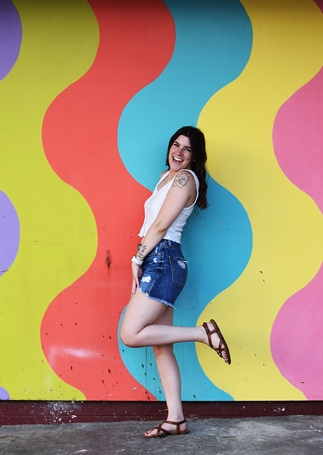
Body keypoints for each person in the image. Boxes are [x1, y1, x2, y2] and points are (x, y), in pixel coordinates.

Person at [119, 126, 231, 439]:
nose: (178, 152)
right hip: (161, 259)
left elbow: (159, 226)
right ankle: (176, 419)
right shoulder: (166, 176)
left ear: (195, 157)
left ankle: (202, 334)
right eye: (176, 145)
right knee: (161, 347)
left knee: (130, 333)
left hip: (162, 260)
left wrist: (136, 259)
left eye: (187, 149)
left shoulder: (184, 179)